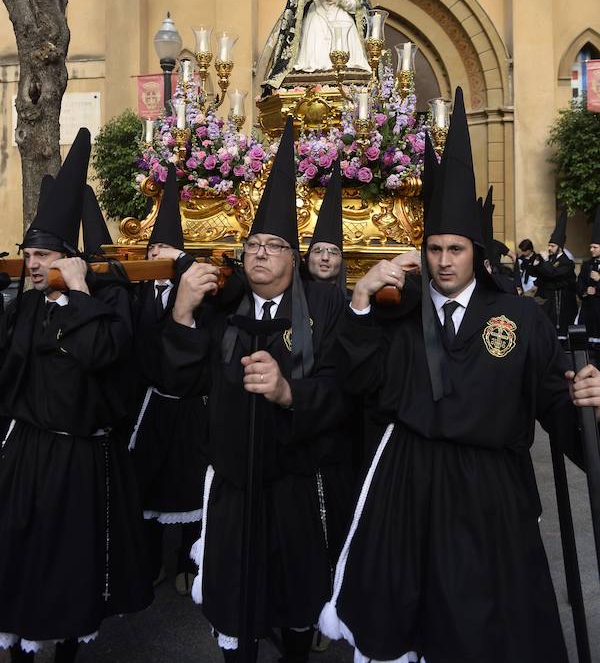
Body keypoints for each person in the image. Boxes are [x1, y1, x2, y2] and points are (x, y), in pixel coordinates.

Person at [318, 87, 600, 663]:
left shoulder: (521, 318)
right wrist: (363, 302)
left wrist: (587, 404)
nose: (444, 261)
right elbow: (356, 382)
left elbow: (554, 400)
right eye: (434, 249)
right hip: (409, 484)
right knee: (405, 618)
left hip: (490, 491)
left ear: (476, 252)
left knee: (485, 626)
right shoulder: (398, 312)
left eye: (455, 249)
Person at [159, 118, 352, 662]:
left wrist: (290, 394)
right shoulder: (224, 313)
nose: (260, 253)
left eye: (274, 246)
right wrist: (181, 311)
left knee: (294, 601)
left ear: (296, 257)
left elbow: (343, 392)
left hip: (294, 486)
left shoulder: (322, 313)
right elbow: (179, 382)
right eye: (253, 245)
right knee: (234, 605)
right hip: (233, 491)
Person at [0, 129, 152, 662]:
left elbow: (103, 356)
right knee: (17, 553)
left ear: (69, 259)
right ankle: (17, 648)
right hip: (27, 453)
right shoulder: (22, 307)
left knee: (70, 562)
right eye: (30, 254)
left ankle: (67, 648)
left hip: (80, 457)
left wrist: (81, 293)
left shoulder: (104, 305)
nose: (36, 264)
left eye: (46, 255)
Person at [128, 164, 208, 595]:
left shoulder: (195, 293)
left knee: (187, 483)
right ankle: (152, 560)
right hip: (149, 402)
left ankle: (185, 563)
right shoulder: (135, 293)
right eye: (154, 246)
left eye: (169, 249)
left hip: (189, 407)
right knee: (149, 484)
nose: (159, 253)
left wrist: (185, 267)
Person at [532, 211, 578, 337]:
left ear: (560, 247)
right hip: (545, 298)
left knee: (558, 332)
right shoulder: (550, 259)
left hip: (560, 302)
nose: (549, 248)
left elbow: (552, 274)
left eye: (552, 246)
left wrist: (545, 262)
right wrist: (536, 264)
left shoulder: (567, 263)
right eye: (549, 245)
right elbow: (540, 275)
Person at [303, 159, 346, 290]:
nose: (325, 258)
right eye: (318, 251)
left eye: (333, 253)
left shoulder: (355, 303)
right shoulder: (289, 303)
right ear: (307, 258)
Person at [576, 204, 600, 360]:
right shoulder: (587, 264)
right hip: (589, 310)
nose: (591, 250)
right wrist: (584, 291)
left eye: (595, 247)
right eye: (591, 247)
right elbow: (579, 283)